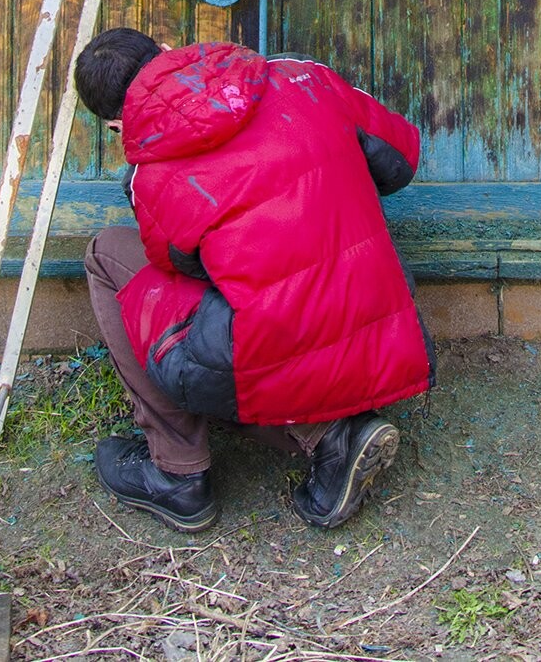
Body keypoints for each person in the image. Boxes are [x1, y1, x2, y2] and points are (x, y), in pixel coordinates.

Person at [76, 29, 435, 533]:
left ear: (117, 124)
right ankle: (333, 434)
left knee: (107, 257)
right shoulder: (301, 74)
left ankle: (176, 471)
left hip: (281, 337)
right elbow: (401, 162)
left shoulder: (148, 173)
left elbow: (182, 265)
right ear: (164, 46)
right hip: (382, 314)